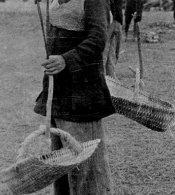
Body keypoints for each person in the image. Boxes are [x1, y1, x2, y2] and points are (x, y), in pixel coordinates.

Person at [34, 0, 116, 194]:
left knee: (86, 166)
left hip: (82, 95)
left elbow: (97, 39)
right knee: (61, 165)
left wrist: (66, 60)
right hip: (58, 94)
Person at [103, 0, 123, 78]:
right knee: (109, 55)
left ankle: (108, 82)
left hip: (112, 20)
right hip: (114, 20)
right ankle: (109, 81)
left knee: (107, 55)